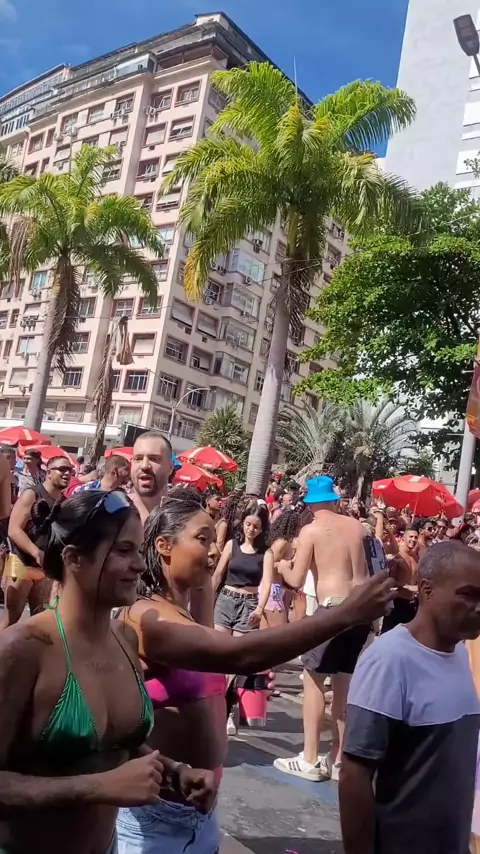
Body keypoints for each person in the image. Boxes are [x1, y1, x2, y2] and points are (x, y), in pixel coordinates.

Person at [117, 495, 396, 854]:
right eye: (202, 539)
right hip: (154, 818)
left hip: (197, 814)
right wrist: (344, 615)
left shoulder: (183, 613)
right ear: (164, 546)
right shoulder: (146, 619)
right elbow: (239, 654)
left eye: (214, 541)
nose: (214, 551)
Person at [0, 489, 215, 854]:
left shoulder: (124, 638)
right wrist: (99, 786)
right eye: (124, 551)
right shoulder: (24, 650)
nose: (141, 565)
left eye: (138, 550)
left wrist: (176, 770)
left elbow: (115, 742)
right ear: (74, 558)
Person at [339, 541, 480, 854]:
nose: (478, 607)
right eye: (468, 595)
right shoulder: (389, 659)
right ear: (427, 591)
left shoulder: (459, 654)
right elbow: (354, 774)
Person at [274, 475, 371, 782]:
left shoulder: (312, 530)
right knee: (343, 684)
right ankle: (338, 759)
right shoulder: (359, 527)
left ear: (311, 504)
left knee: (313, 681)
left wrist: (281, 565)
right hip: (362, 609)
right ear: (334, 500)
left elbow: (296, 579)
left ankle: (310, 758)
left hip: (333, 608)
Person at [4, 456, 73, 626]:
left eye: (70, 470)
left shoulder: (65, 503)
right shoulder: (32, 494)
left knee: (39, 622)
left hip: (46, 570)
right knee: (10, 620)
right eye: (62, 469)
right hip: (21, 564)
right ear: (48, 472)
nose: (67, 473)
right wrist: (36, 552)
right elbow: (14, 530)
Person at [263, 510, 302, 628]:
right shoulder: (282, 543)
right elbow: (268, 564)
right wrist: (287, 564)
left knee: (266, 634)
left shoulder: (288, 542)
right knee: (280, 633)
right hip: (272, 591)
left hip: (278, 589)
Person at [130, 432, 174, 523]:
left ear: (170, 467)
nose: (144, 466)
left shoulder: (185, 518)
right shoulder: (110, 512)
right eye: (138, 459)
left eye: (154, 459)